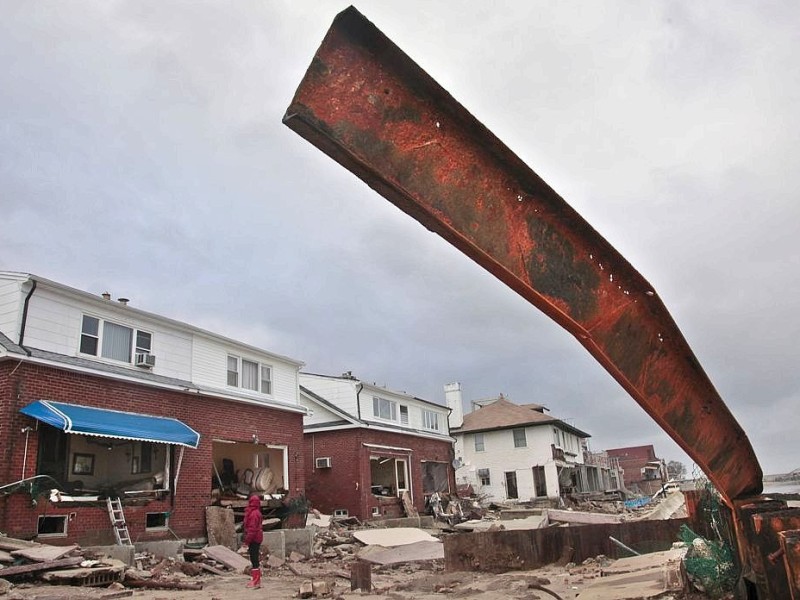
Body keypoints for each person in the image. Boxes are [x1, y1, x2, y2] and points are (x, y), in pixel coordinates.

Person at [242, 494, 263, 589]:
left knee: (254, 559)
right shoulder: (257, 512)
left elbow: (252, 529)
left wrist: (247, 541)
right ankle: (256, 580)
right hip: (257, 538)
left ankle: (256, 581)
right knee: (255, 559)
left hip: (254, 539)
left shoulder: (253, 514)